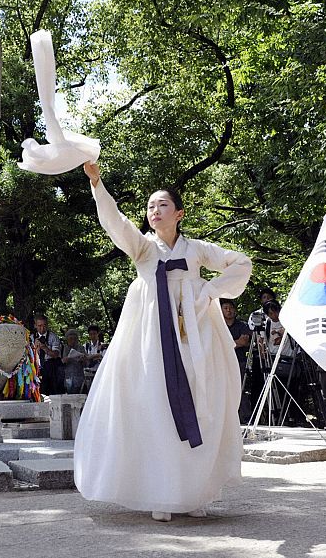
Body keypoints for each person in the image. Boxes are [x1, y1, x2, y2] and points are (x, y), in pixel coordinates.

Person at [74, 162, 252, 522]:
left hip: (194, 338)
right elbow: (116, 223)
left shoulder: (198, 250)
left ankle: (194, 492)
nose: (154, 212)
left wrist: (210, 290)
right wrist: (97, 183)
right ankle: (161, 490)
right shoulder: (142, 249)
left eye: (163, 205)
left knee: (203, 402)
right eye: (151, 207)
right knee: (154, 407)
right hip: (151, 340)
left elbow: (241, 263)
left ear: (179, 213)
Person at [221, 299, 252, 422]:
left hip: (240, 361)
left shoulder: (242, 325)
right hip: (222, 362)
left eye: (230, 307)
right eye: (225, 308)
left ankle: (244, 417)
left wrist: (229, 344)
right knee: (224, 389)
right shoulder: (219, 326)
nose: (228, 310)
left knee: (241, 389)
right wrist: (236, 342)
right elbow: (219, 344)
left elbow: (245, 342)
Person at [31, 315, 62, 395]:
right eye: (39, 326)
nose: (42, 328)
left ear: (47, 325)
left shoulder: (53, 337)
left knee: (53, 391)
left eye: (44, 325)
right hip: (36, 367)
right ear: (35, 326)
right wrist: (35, 348)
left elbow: (56, 354)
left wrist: (44, 348)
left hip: (50, 366)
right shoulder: (31, 338)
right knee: (39, 391)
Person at [60, 329, 87, 393]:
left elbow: (86, 363)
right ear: (67, 339)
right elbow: (60, 362)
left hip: (79, 377)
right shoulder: (63, 348)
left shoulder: (81, 348)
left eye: (75, 338)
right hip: (67, 377)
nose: (73, 341)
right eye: (71, 338)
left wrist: (83, 359)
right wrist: (67, 359)